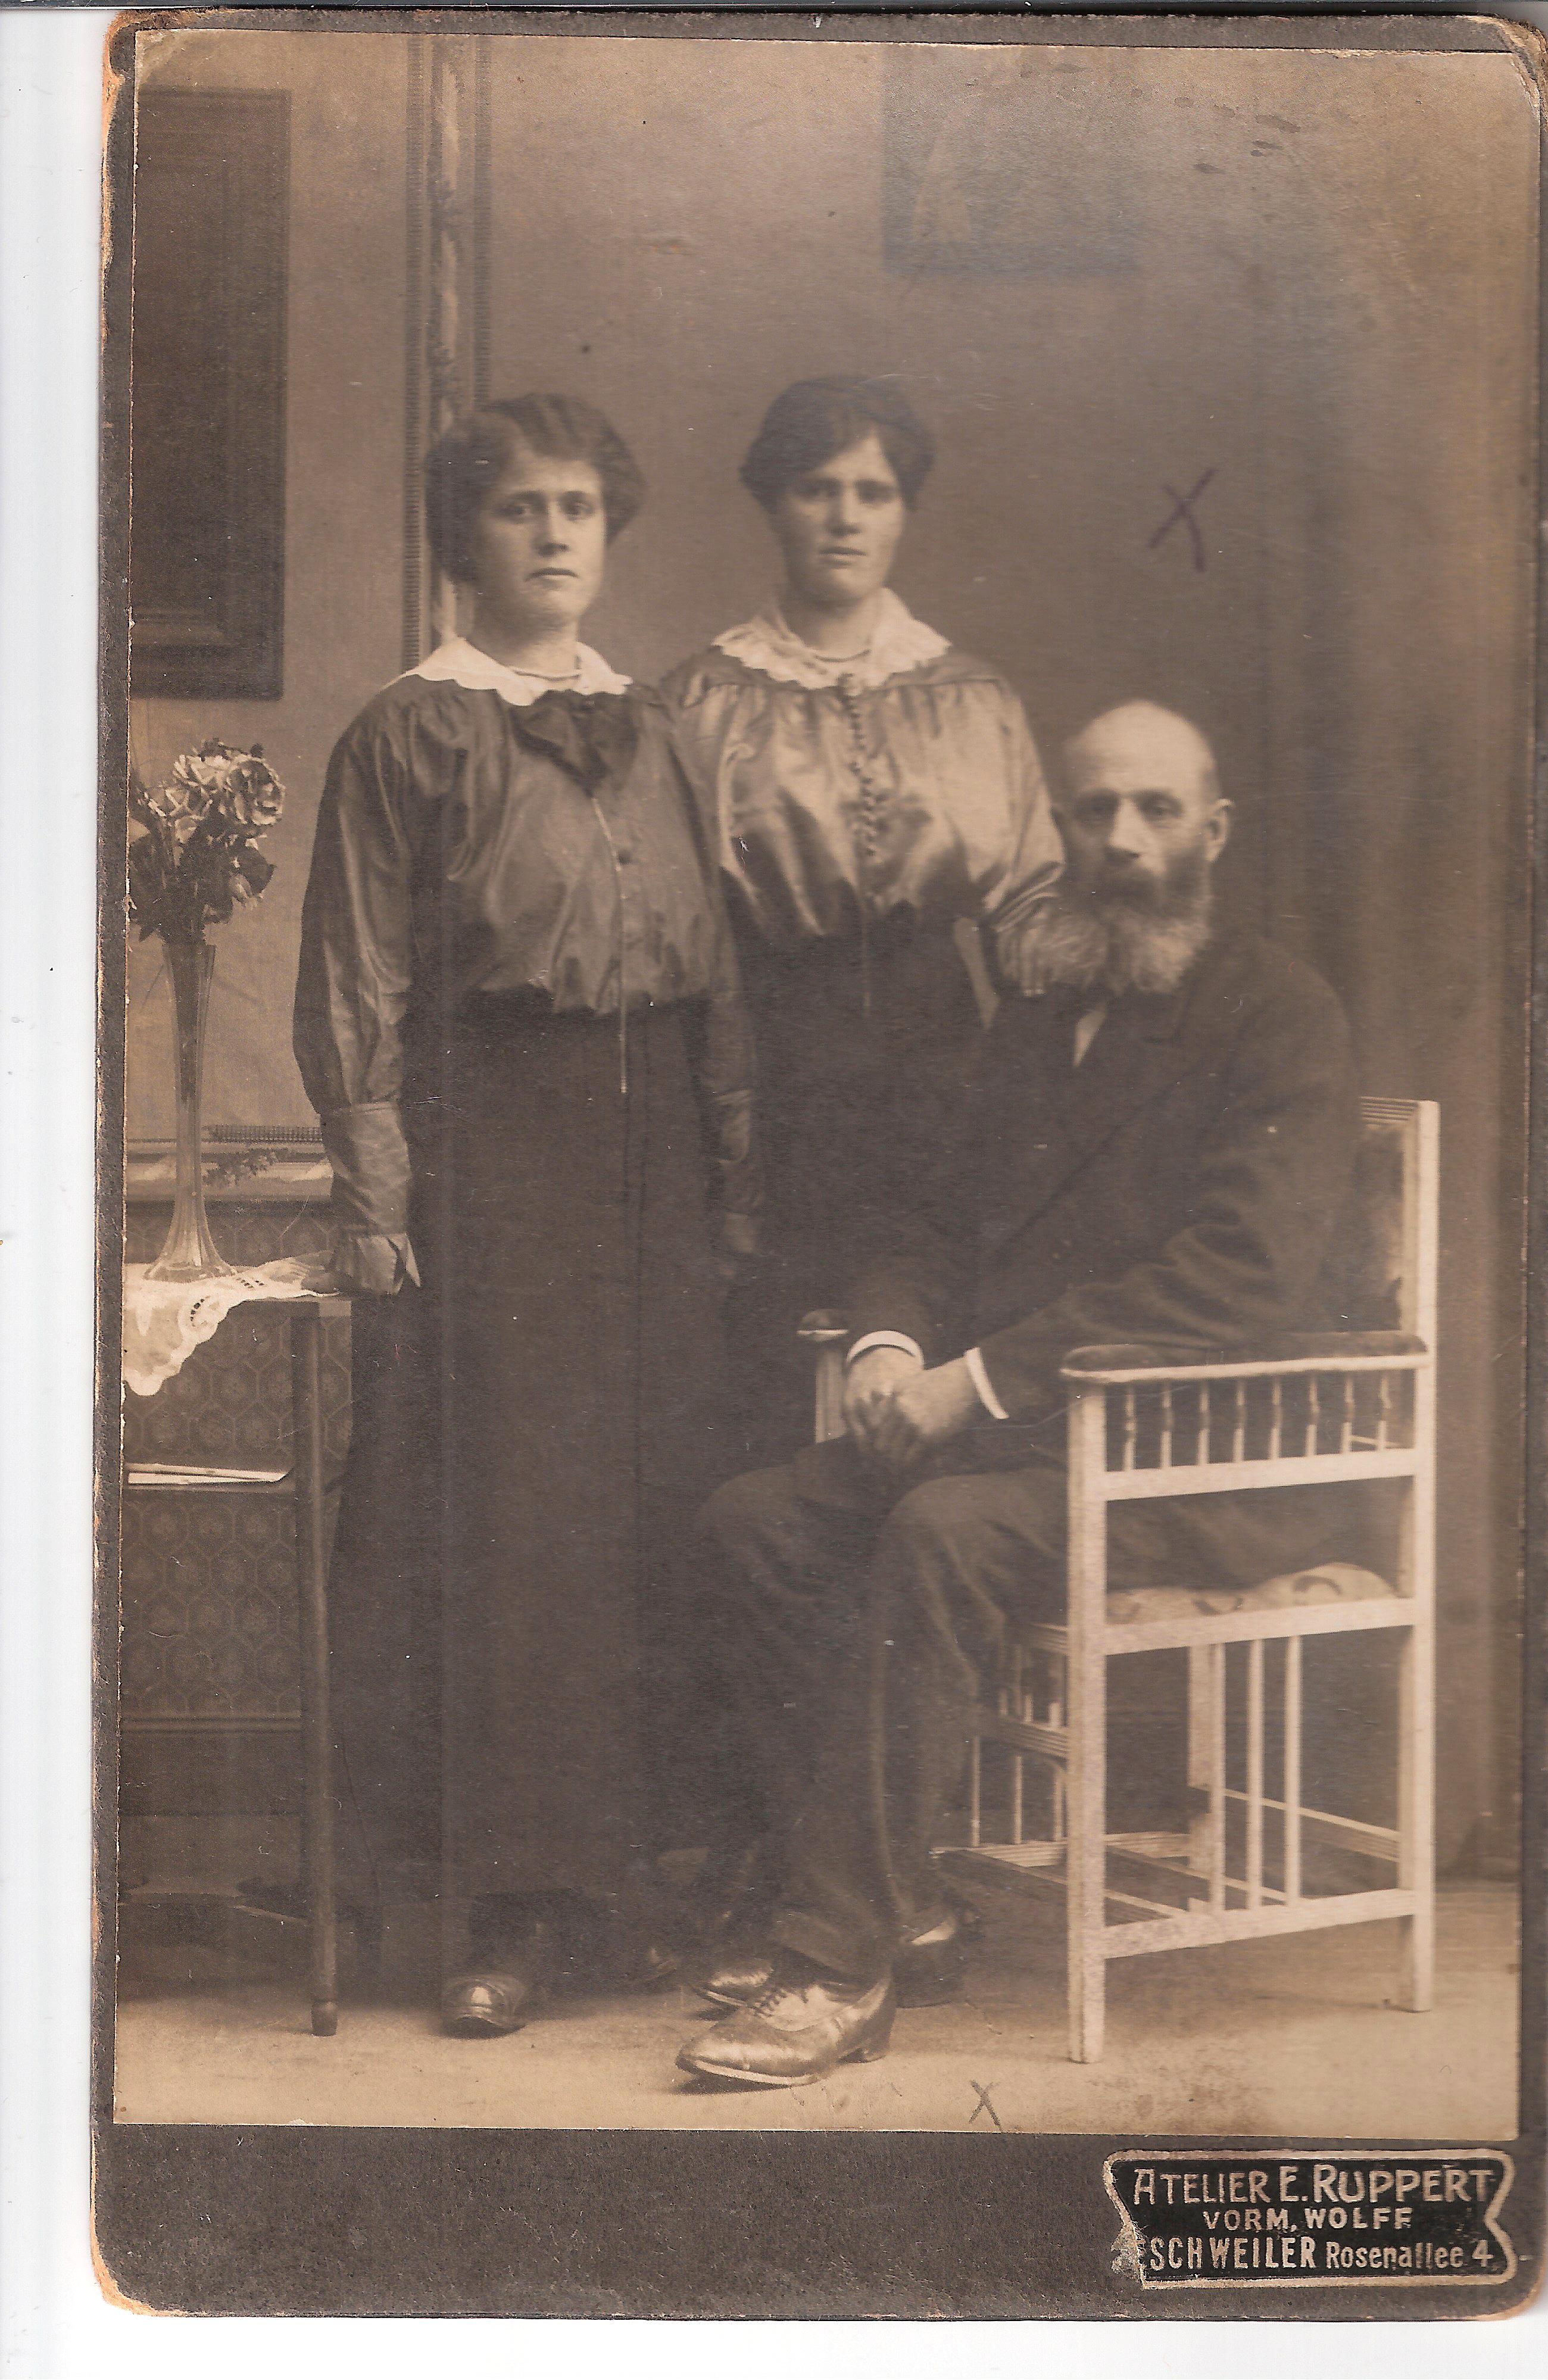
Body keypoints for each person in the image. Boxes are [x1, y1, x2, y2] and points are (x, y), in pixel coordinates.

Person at [676, 702, 1369, 2086]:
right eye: (1093, 810)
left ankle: (835, 1962)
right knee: (752, 1524)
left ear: (1211, 830)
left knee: (941, 1532)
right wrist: (888, 1343)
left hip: (1202, 1458)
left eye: (1154, 809)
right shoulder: (1035, 1020)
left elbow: (1237, 1275)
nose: (1122, 839)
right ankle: (902, 1901)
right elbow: (927, 1220)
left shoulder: (1277, 1013)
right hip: (1037, 1447)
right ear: (1058, 829)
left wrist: (977, 1381)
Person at [294, 394, 759, 2038]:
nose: (556, 534)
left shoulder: (661, 726)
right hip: (492, 1144)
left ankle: (617, 1887)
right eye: (518, 507)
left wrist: (730, 1177)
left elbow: (717, 975)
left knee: (643, 1505)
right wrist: (378, 1184)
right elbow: (356, 971)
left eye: (578, 507)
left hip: (654, 1156)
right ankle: (498, 1906)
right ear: (461, 536)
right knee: (510, 1527)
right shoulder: (407, 731)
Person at [664, 377, 1064, 1458]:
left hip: (945, 1062)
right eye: (816, 488)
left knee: (930, 1336)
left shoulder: (973, 698)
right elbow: (680, 926)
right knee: (769, 1380)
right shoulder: (699, 702)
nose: (845, 518)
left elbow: (1030, 908)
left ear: (904, 510)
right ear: (771, 502)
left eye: (873, 492)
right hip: (771, 1063)